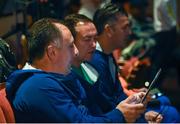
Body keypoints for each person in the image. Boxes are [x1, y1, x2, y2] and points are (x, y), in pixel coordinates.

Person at [5, 18, 144, 123]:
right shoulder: (37, 86)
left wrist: (123, 110)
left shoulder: (57, 78)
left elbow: (88, 115)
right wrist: (120, 115)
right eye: (71, 46)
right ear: (52, 53)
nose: (76, 52)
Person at [64, 14, 163, 123]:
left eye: (95, 38)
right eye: (87, 39)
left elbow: (109, 101)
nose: (93, 44)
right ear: (71, 42)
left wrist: (139, 116)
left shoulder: (88, 67)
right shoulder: (67, 74)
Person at [90, 3, 180, 122]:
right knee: (170, 113)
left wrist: (136, 103)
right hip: (112, 117)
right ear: (109, 30)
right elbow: (106, 105)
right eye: (125, 28)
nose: (129, 32)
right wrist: (140, 116)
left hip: (119, 111)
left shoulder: (107, 55)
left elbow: (117, 94)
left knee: (164, 103)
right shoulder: (95, 59)